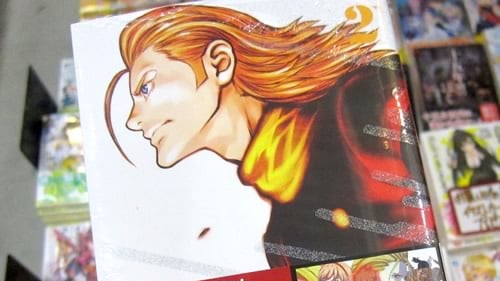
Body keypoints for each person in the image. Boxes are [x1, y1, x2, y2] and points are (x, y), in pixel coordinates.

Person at [104, 4, 435, 267]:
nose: (133, 120)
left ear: (219, 63)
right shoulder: (282, 240)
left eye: (146, 87)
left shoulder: (362, 103)